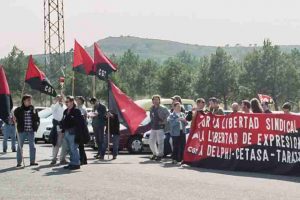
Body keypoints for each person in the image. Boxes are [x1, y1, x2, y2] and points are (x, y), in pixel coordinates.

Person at [14, 94, 40, 167]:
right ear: (24, 101)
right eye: (28, 100)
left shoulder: (33, 109)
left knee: (32, 147)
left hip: (31, 131)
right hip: (22, 131)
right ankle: (19, 163)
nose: (30, 101)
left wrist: (37, 125)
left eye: (30, 100)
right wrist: (14, 119)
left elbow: (37, 118)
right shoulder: (18, 109)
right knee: (20, 147)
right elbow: (13, 119)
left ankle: (32, 162)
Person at [61, 96, 84, 170]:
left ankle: (76, 163)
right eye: (66, 102)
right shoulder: (65, 111)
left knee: (73, 148)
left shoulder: (76, 111)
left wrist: (78, 133)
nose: (66, 103)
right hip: (66, 132)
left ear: (72, 102)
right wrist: (62, 131)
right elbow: (63, 122)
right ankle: (72, 163)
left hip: (73, 132)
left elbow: (79, 123)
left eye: (67, 102)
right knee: (69, 149)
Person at [149, 95, 170, 161]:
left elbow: (168, 116)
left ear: (159, 100)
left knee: (160, 142)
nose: (155, 101)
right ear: (152, 101)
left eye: (157, 99)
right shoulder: (151, 108)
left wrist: (163, 122)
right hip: (153, 127)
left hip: (160, 127)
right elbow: (151, 117)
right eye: (154, 100)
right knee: (151, 141)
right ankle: (155, 153)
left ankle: (160, 155)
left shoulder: (163, 108)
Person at [50, 94, 67, 165]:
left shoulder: (65, 106)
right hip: (57, 127)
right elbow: (54, 109)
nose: (60, 99)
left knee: (65, 144)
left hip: (65, 127)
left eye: (61, 98)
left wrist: (63, 99)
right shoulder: (53, 106)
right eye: (58, 98)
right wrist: (58, 102)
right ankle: (54, 158)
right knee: (56, 144)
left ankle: (62, 159)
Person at [76, 96, 88, 165]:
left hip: (81, 128)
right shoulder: (79, 107)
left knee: (80, 145)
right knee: (80, 146)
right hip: (80, 128)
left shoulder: (82, 108)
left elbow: (82, 118)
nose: (76, 101)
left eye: (78, 100)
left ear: (81, 101)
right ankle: (84, 160)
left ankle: (82, 160)